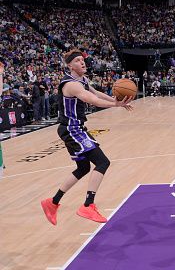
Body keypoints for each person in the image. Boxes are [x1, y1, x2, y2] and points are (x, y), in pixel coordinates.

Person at [40, 49, 134, 225]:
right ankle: (88, 206)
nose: (82, 62)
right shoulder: (71, 85)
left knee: (83, 168)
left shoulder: (82, 80)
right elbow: (92, 100)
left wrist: (117, 102)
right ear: (69, 65)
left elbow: (96, 93)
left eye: (82, 60)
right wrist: (115, 104)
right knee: (103, 162)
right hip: (72, 129)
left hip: (75, 128)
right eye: (77, 60)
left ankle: (52, 202)